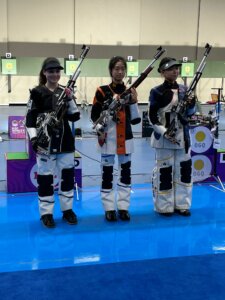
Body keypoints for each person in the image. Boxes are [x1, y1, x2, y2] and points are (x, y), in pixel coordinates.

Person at [25, 57, 80, 228]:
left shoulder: (65, 92)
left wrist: (70, 99)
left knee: (67, 178)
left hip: (66, 143)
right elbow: (30, 120)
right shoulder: (37, 92)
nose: (55, 74)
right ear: (44, 72)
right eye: (51, 71)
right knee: (45, 180)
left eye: (57, 71)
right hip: (45, 144)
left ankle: (67, 210)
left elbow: (75, 115)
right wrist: (34, 139)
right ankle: (46, 213)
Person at [91, 56, 141, 222]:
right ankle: (109, 208)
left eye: (122, 69)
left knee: (125, 174)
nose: (119, 72)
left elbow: (135, 120)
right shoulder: (101, 91)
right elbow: (94, 116)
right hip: (107, 140)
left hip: (126, 139)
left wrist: (134, 102)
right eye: (116, 68)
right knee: (107, 174)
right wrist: (101, 131)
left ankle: (124, 207)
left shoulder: (129, 92)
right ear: (111, 70)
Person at [148, 57, 196, 217]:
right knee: (165, 173)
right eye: (171, 69)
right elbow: (152, 116)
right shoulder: (156, 91)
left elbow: (190, 114)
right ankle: (164, 206)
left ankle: (183, 204)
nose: (175, 71)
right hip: (163, 140)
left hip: (183, 138)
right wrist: (164, 132)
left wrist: (192, 103)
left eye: (177, 68)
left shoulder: (185, 90)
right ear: (162, 72)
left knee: (184, 172)